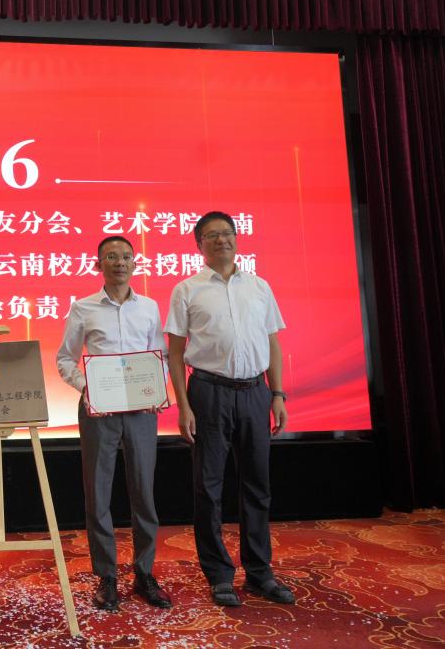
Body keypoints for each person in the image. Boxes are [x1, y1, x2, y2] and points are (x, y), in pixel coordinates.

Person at [164, 211, 295, 607]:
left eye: (227, 233)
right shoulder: (187, 290)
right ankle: (219, 574)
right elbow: (175, 353)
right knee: (209, 487)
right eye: (212, 235)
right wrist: (183, 406)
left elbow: (272, 343)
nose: (221, 240)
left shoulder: (259, 286)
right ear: (199, 245)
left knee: (257, 484)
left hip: (255, 392)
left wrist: (277, 394)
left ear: (237, 239)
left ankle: (259, 571)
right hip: (208, 392)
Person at [56, 235, 173, 612]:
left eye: (125, 256)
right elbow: (65, 359)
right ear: (98, 264)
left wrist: (157, 388)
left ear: (135, 263)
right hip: (99, 410)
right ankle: (106, 576)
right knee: (98, 492)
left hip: (141, 410)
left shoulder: (149, 307)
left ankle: (144, 572)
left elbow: (159, 356)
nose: (119, 262)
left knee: (144, 491)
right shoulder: (83, 308)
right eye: (111, 257)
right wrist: (88, 387)